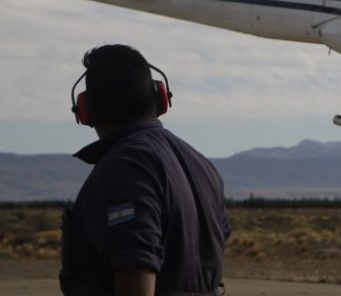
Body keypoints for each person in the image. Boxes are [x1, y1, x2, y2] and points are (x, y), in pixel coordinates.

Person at [60, 44, 230, 296]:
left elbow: (135, 270)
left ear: (86, 109)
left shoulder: (125, 167)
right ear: (160, 97)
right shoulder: (200, 164)